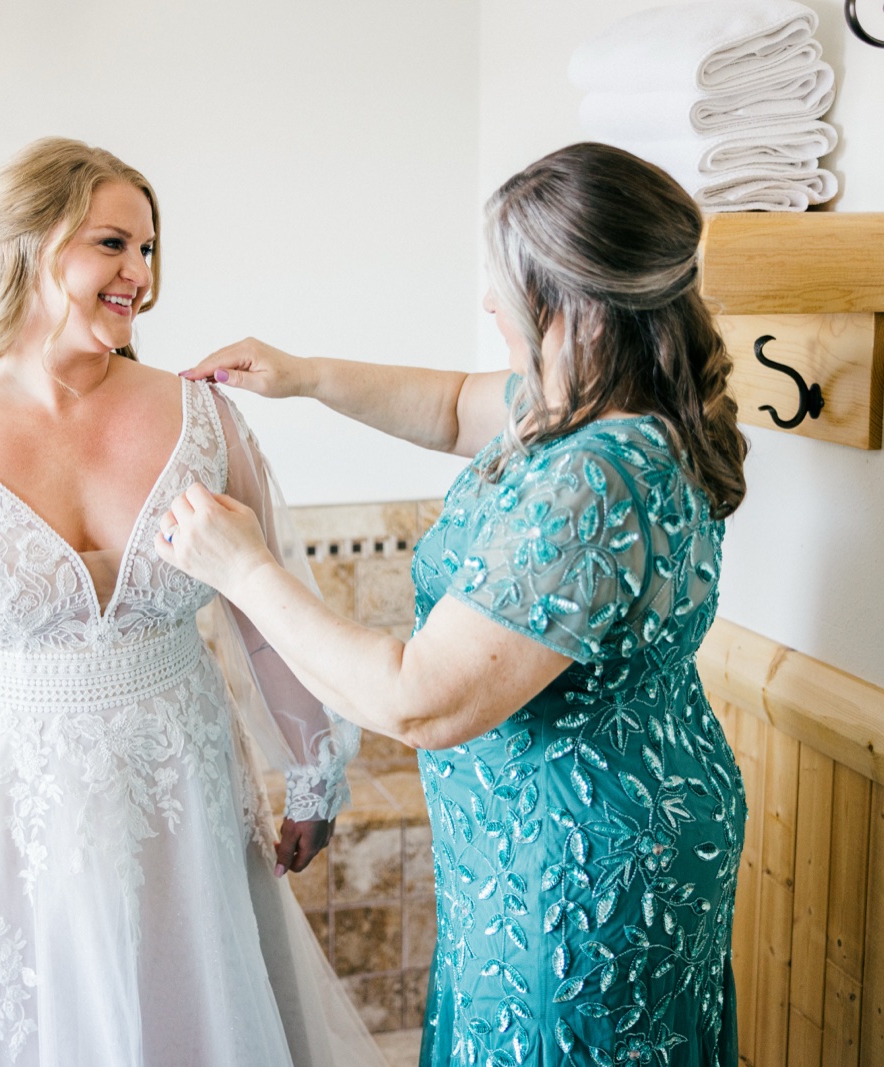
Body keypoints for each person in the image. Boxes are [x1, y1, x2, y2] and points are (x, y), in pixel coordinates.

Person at [0, 137, 385, 1067]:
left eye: (151, 249)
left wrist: (314, 760)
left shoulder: (204, 418)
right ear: (32, 246)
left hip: (178, 799)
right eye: (113, 245)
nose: (141, 274)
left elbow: (263, 600)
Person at [159, 142, 750, 1066]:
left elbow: (418, 698)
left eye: (507, 284)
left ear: (583, 310)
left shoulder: (596, 476)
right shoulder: (602, 402)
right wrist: (305, 372)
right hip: (581, 833)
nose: (488, 301)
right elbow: (446, 407)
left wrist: (244, 568)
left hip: (580, 875)